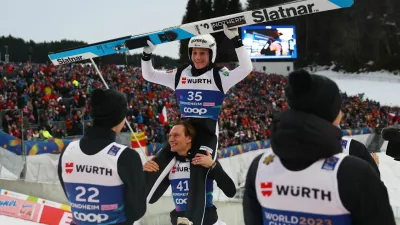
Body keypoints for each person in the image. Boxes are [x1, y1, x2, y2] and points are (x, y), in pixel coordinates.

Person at [242, 70, 396, 225]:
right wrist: (371, 176)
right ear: (332, 114)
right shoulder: (355, 170)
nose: (342, 114)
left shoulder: (261, 166)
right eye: (339, 108)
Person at [141, 24, 252, 225]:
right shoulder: (179, 73)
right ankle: (136, 199)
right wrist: (146, 55)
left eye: (203, 53)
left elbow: (246, 68)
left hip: (207, 135)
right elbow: (150, 75)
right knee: (158, 161)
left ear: (211, 54)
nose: (198, 57)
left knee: (199, 169)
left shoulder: (220, 76)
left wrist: (236, 40)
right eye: (194, 53)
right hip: (184, 134)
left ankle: (192, 221)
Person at [57, 89, 146, 225]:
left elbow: (70, 196)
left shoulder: (68, 150)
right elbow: (137, 210)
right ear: (120, 118)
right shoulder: (126, 156)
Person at [144, 120, 236, 225]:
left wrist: (213, 166)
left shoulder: (204, 159)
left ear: (189, 138)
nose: (171, 140)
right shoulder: (170, 164)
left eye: (176, 135)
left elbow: (231, 191)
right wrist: (147, 171)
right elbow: (152, 198)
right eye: (170, 136)